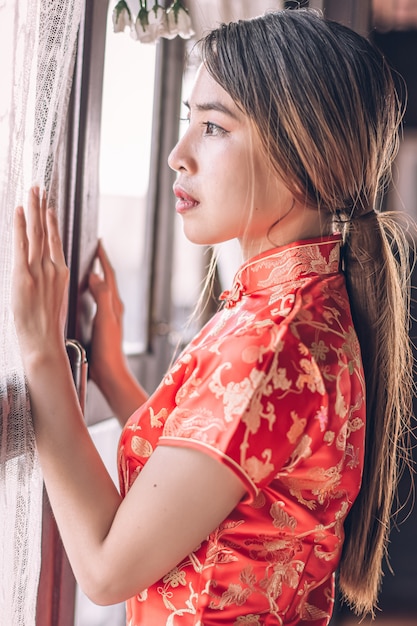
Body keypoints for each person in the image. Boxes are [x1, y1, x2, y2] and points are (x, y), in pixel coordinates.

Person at [11, 8, 414, 626]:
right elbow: (210, 494)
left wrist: (40, 355)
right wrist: (114, 374)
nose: (177, 155)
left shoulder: (270, 342)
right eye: (186, 122)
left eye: (214, 128)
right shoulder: (302, 310)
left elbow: (104, 569)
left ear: (299, 153)